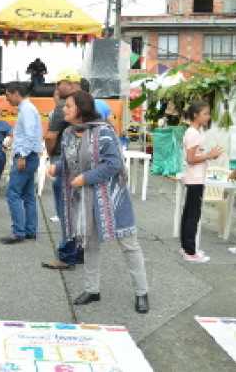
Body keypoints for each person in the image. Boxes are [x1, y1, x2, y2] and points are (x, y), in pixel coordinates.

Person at [48, 90, 149, 313]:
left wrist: (86, 178)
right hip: (85, 200)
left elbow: (113, 164)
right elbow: (69, 162)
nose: (63, 109)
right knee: (90, 245)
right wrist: (58, 167)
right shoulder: (68, 134)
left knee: (129, 245)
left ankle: (142, 292)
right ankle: (92, 290)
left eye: (68, 106)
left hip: (111, 199)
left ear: (81, 110)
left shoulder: (103, 132)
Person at [42, 70, 82, 269]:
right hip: (81, 163)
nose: (57, 86)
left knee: (65, 211)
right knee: (79, 211)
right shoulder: (90, 104)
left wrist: (51, 155)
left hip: (63, 160)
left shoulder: (63, 108)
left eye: (61, 82)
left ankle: (67, 256)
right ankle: (79, 252)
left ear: (72, 83)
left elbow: (50, 137)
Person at [0, 82, 44, 245]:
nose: (7, 99)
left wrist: (23, 156)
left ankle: (18, 232)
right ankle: (30, 230)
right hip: (30, 156)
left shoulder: (26, 110)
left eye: (8, 95)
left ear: (16, 93)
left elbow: (31, 135)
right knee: (28, 195)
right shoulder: (28, 109)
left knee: (13, 194)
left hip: (26, 156)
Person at [180, 101, 222, 263]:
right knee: (193, 216)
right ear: (196, 115)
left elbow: (195, 156)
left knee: (188, 214)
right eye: (205, 113)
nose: (208, 116)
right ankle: (190, 252)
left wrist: (209, 155)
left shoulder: (194, 131)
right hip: (195, 179)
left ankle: (186, 248)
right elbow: (191, 159)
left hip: (194, 178)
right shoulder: (193, 133)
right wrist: (209, 155)